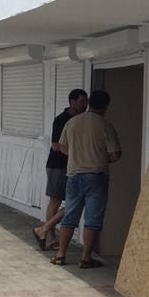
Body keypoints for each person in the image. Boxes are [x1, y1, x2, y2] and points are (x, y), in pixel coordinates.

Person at [52, 89, 122, 269]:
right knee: (93, 218)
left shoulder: (72, 122)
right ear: (106, 106)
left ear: (89, 102)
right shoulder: (105, 125)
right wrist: (99, 158)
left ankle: (60, 255)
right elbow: (115, 154)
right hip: (96, 176)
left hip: (74, 175)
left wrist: (77, 156)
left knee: (70, 215)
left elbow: (61, 147)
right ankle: (85, 258)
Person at [32, 88, 88, 250]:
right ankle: (50, 238)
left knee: (74, 201)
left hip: (76, 167)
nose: (85, 105)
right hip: (58, 166)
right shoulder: (61, 120)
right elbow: (56, 145)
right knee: (56, 201)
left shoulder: (84, 120)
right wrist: (77, 155)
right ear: (72, 102)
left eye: (86, 102)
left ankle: (43, 229)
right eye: (81, 102)